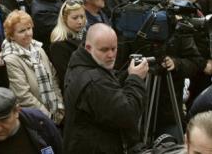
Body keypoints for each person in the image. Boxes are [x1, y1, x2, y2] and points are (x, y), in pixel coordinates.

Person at [62, 24, 148, 154]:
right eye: (104, 50)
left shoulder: (81, 62)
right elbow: (128, 115)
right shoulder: (94, 81)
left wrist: (128, 75)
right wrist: (136, 78)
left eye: (114, 48)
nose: (111, 55)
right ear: (88, 48)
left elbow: (108, 91)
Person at [1, 10, 64, 124]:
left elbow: (54, 78)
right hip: (35, 118)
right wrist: (47, 116)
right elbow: (23, 95)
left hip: (55, 112)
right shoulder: (10, 59)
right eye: (22, 31)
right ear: (11, 36)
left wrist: (60, 106)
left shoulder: (39, 49)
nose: (28, 33)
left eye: (29, 28)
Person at [49, 0, 86, 89]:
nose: (80, 21)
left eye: (82, 17)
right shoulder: (58, 45)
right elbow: (66, 76)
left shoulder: (86, 35)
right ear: (64, 19)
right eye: (75, 18)